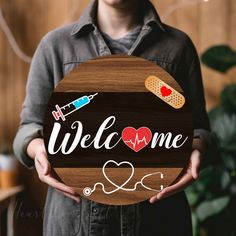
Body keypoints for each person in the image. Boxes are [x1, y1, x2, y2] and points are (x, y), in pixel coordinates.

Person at [14, 0, 213, 235]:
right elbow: (29, 128)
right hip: (73, 223)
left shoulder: (177, 48)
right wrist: (38, 149)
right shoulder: (55, 47)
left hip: (158, 220)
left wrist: (197, 148)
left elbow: (199, 130)